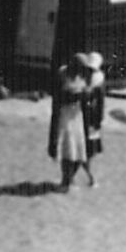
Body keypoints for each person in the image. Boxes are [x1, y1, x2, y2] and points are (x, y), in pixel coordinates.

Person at [48, 55, 97, 191]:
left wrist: (86, 97)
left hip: (77, 117)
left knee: (77, 147)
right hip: (65, 115)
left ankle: (69, 179)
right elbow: (59, 97)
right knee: (66, 147)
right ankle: (66, 180)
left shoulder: (82, 78)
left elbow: (88, 98)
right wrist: (77, 96)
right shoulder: (63, 75)